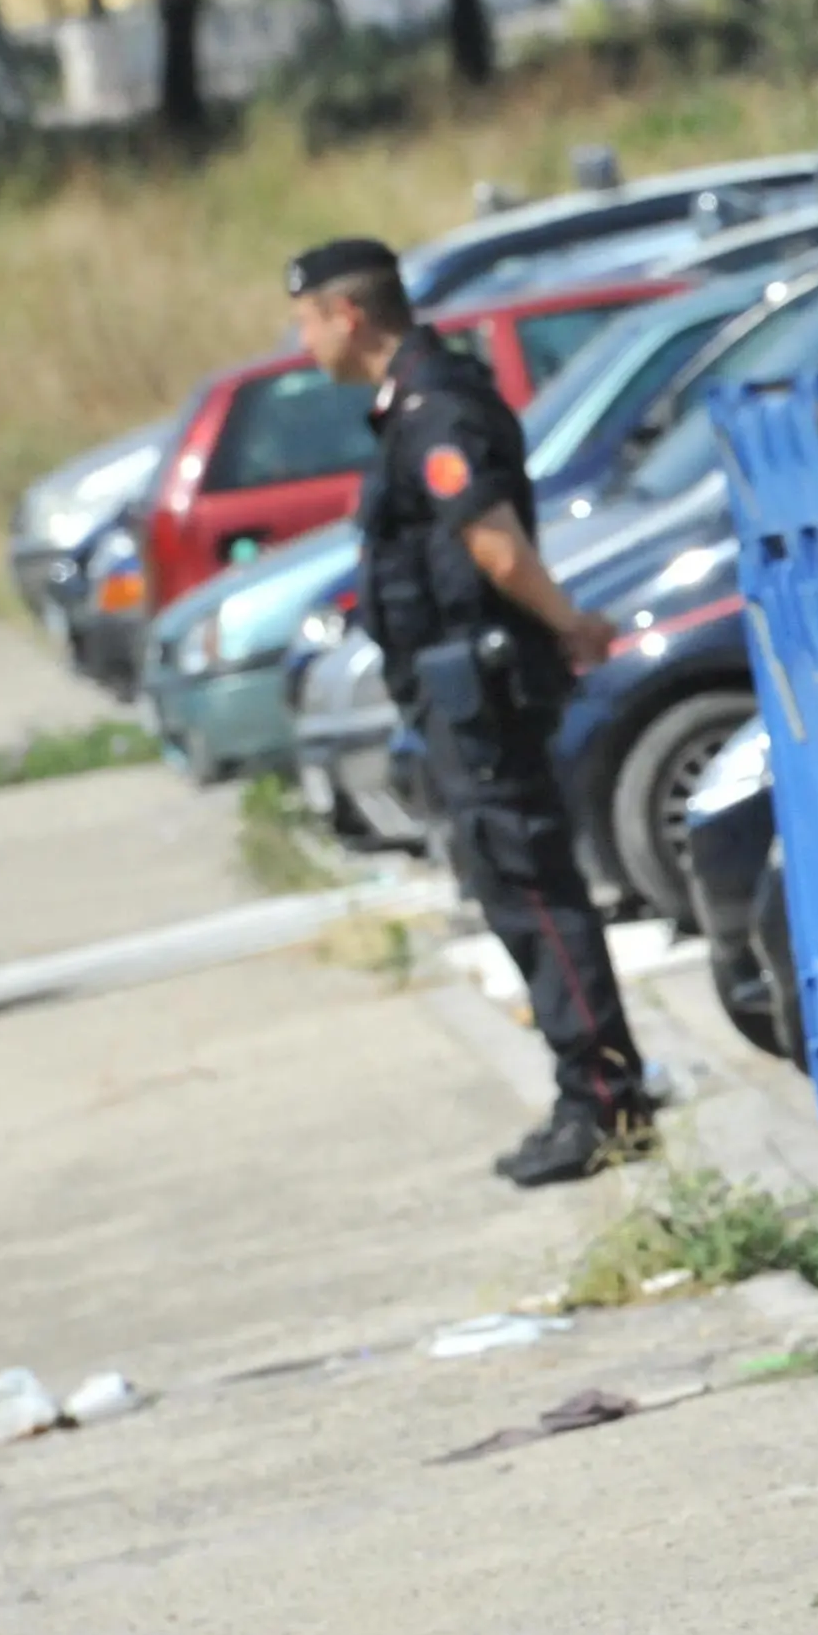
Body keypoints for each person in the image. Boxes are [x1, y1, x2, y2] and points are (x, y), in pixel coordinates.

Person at [287, 238, 653, 1187]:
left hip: (482, 698)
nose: (301, 339)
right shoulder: (409, 403)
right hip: (460, 699)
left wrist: (569, 624)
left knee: (534, 894)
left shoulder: (435, 406)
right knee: (514, 890)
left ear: (348, 315)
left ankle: (604, 1099)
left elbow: (492, 546)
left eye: (306, 319)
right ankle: (593, 1090)